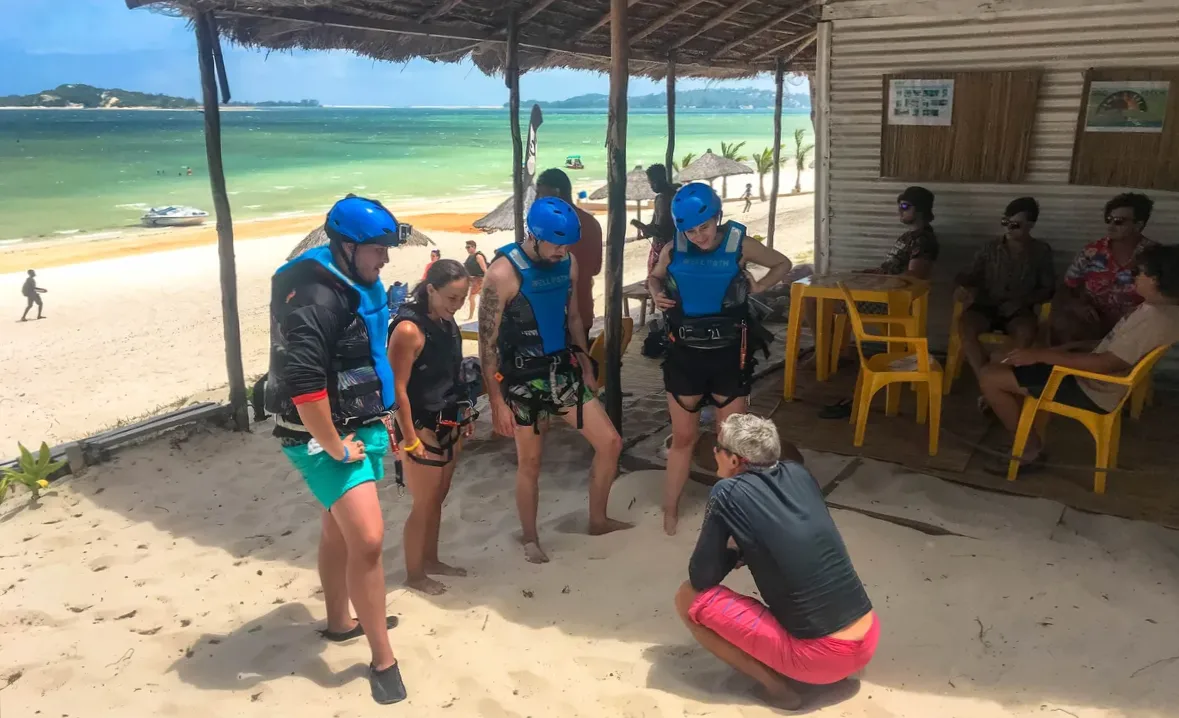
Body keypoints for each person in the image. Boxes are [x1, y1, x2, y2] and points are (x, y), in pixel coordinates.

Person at [264, 195, 407, 704]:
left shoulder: (355, 282)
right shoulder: (315, 297)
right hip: (317, 432)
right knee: (368, 538)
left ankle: (341, 620)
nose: (385, 260)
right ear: (346, 247)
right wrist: (333, 446)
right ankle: (383, 659)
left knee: (338, 528)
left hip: (357, 421)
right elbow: (304, 384)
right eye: (376, 251)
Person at [675, 414, 878, 711]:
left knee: (686, 598)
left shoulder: (727, 492)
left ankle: (780, 691)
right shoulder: (799, 474)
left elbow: (701, 577)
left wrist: (734, 553)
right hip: (867, 637)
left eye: (718, 447)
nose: (714, 452)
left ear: (734, 460)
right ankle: (812, 675)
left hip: (823, 657)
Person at [478, 196, 631, 563]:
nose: (562, 251)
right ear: (534, 235)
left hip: (562, 372)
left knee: (610, 442)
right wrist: (496, 402)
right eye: (556, 244)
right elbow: (487, 346)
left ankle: (597, 519)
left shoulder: (568, 262)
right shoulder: (502, 274)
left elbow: (574, 317)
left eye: (567, 245)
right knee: (530, 462)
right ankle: (530, 538)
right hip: (522, 382)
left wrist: (586, 361)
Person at [648, 182, 793, 535]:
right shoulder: (674, 248)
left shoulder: (738, 244)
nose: (699, 236)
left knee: (729, 443)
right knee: (683, 438)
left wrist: (760, 286)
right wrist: (656, 293)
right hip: (684, 356)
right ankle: (670, 512)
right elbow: (654, 277)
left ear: (718, 217)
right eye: (691, 230)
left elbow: (782, 263)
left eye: (705, 227)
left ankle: (729, 515)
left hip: (731, 356)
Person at [979, 244, 1179, 473]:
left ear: (1156, 279)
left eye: (1139, 272)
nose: (1133, 277)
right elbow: (1114, 347)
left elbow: (1106, 364)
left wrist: (1043, 355)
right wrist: (1070, 348)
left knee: (990, 377)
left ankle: (1028, 448)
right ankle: (1018, 420)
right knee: (1002, 357)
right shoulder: (1162, 309)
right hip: (1093, 377)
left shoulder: (1155, 320)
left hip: (1091, 387)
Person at [388, 259, 474, 596]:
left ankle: (432, 560)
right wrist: (410, 438)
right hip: (420, 427)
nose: (456, 305)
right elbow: (397, 390)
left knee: (438, 497)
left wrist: (464, 412)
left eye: (462, 298)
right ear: (430, 290)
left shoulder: (449, 324)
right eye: (451, 298)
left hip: (449, 420)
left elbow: (453, 374)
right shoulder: (409, 329)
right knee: (422, 504)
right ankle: (414, 574)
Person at [953, 197, 1055, 378]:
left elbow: (1048, 289)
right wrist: (963, 285)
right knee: (966, 328)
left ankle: (999, 376)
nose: (1008, 228)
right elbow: (970, 274)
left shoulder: (1041, 251)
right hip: (986, 305)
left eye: (1015, 224)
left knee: (1025, 333)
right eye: (1005, 222)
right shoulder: (989, 248)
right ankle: (985, 380)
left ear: (1030, 225)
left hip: (1019, 309)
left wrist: (1022, 301)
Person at [1052, 193, 1158, 343]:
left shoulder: (1155, 256)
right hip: (1091, 322)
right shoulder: (1092, 252)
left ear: (1138, 225)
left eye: (1119, 221)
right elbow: (1068, 286)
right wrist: (1077, 305)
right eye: (1109, 220)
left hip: (1135, 327)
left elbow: (1167, 298)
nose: (1111, 226)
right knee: (1066, 324)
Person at [537, 167, 603, 346]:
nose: (537, 201)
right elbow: (596, 268)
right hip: (584, 311)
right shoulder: (592, 224)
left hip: (555, 316)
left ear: (556, 194)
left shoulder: (549, 229)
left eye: (540, 195)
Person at [631, 164, 679, 276]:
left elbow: (662, 231)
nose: (651, 186)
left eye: (651, 182)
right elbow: (654, 224)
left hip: (666, 248)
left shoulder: (667, 199)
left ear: (659, 180)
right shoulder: (661, 198)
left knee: (658, 280)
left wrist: (641, 226)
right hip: (664, 245)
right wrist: (646, 229)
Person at [462, 240, 488, 321]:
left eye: (468, 247)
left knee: (471, 298)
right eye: (466, 247)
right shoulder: (470, 257)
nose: (467, 249)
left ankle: (470, 317)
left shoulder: (478, 256)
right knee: (484, 299)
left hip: (479, 279)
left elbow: (485, 269)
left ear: (474, 247)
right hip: (474, 280)